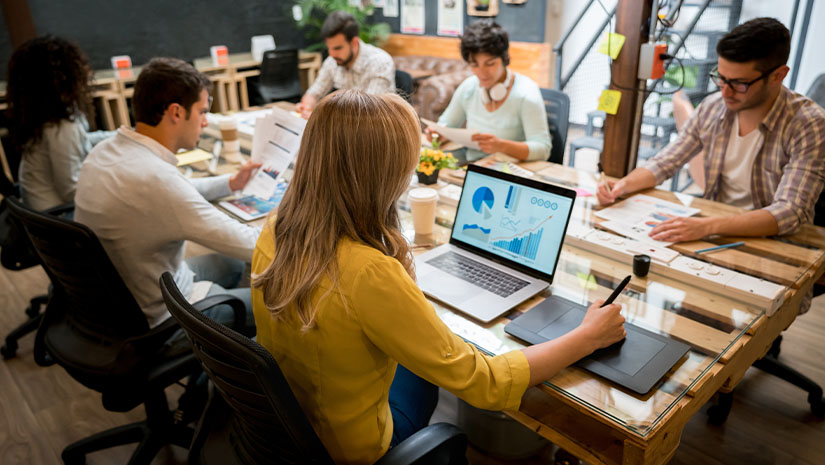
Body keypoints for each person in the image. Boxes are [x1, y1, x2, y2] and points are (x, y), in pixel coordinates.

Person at [251, 90, 626, 463]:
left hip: (291, 423)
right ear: (383, 176)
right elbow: (487, 383)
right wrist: (586, 337)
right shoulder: (369, 272)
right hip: (353, 448)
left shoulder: (275, 228)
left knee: (428, 352)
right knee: (436, 367)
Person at [597, 18, 825, 313]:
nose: (725, 91)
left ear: (778, 75)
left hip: (771, 246)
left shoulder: (809, 124)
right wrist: (623, 185)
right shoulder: (714, 106)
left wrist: (704, 227)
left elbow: (790, 212)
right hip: (712, 236)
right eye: (721, 77)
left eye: (740, 83)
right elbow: (667, 160)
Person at [75, 58, 260, 333]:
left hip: (124, 298)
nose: (206, 121)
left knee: (234, 264)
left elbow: (176, 194)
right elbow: (254, 246)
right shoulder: (157, 181)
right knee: (276, 304)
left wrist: (231, 183)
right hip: (165, 319)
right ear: (175, 112)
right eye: (201, 111)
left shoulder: (107, 151)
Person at [6, 35, 115, 211]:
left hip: (45, 213)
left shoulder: (46, 117)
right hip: (59, 219)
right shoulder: (60, 127)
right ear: (61, 78)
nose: (87, 71)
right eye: (78, 66)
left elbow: (82, 140)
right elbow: (72, 190)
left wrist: (123, 134)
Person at [428, 21, 552, 163]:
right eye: (474, 65)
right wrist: (437, 134)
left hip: (510, 173)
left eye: (490, 64)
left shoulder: (526, 93)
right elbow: (446, 124)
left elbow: (543, 150)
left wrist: (501, 146)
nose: (482, 73)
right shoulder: (469, 87)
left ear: (504, 58)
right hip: (471, 167)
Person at [295, 10, 395, 119]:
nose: (332, 54)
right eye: (329, 48)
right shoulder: (332, 61)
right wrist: (307, 107)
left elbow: (368, 112)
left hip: (376, 128)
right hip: (345, 126)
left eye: (338, 48)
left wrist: (321, 114)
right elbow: (314, 93)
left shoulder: (380, 63)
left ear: (354, 43)